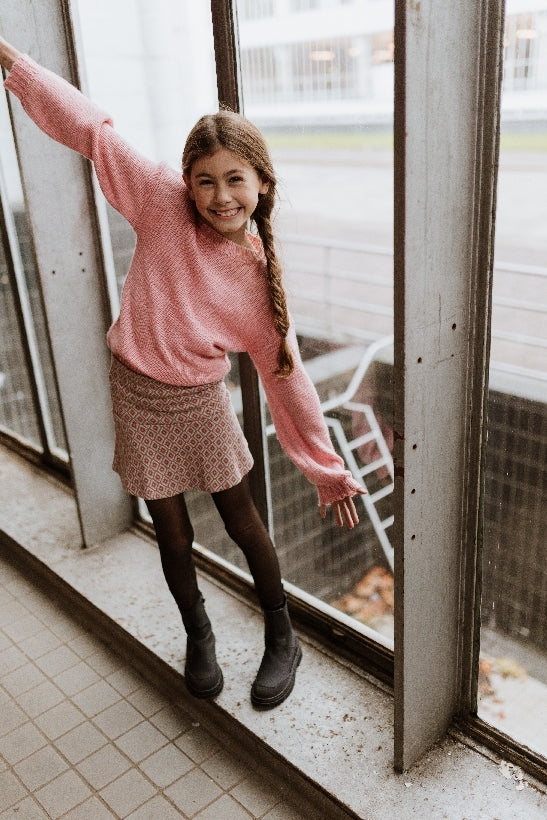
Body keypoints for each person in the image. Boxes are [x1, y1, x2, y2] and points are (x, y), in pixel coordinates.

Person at [0, 35, 365, 709]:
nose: (220, 196)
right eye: (205, 180)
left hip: (199, 402)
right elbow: (92, 129)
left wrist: (324, 467)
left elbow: (287, 379)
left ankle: (281, 634)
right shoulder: (160, 201)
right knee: (170, 531)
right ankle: (198, 633)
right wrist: (14, 64)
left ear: (262, 183)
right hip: (137, 393)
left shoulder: (256, 282)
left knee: (242, 521)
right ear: (186, 181)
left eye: (235, 180)